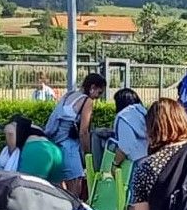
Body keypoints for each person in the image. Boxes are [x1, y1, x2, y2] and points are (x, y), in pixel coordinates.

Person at [44, 72, 106, 200]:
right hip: (69, 146)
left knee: (59, 184)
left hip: (54, 144)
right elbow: (83, 132)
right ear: (92, 87)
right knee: (76, 185)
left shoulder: (69, 95)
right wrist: (87, 153)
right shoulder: (87, 101)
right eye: (99, 93)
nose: (97, 98)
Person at [111, 88, 149, 166]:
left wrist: (115, 164)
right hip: (148, 158)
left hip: (133, 164)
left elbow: (125, 146)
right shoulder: (143, 112)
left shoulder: (124, 117)